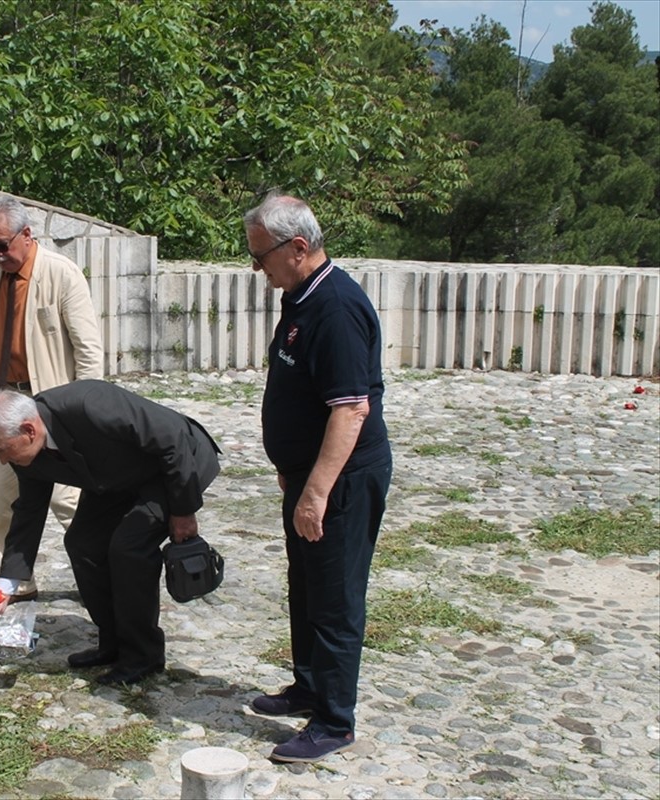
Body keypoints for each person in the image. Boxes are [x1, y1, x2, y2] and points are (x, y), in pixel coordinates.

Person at [243, 193, 393, 763]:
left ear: (298, 247)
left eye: (261, 257)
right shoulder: (300, 296)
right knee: (305, 585)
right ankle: (308, 685)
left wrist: (317, 491)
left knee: (334, 597)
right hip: (306, 474)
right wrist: (291, 469)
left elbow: (350, 408)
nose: (257, 268)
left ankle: (333, 720)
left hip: (342, 480)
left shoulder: (336, 309)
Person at [0, 381, 221, 685]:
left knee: (128, 549)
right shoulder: (25, 451)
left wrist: (183, 511)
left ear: (29, 430)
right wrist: (6, 587)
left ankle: (143, 655)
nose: (1, 459)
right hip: (117, 479)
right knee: (83, 543)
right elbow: (28, 512)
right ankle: (113, 642)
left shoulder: (89, 405)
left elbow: (172, 439)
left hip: (174, 468)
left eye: (1, 449)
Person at [0, 197, 103, 604]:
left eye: (1, 245)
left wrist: (87, 409)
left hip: (54, 405)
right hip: (7, 404)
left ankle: (104, 577)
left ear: (26, 234)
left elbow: (88, 349)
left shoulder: (61, 274)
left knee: (68, 499)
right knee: (6, 500)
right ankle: (16, 579)